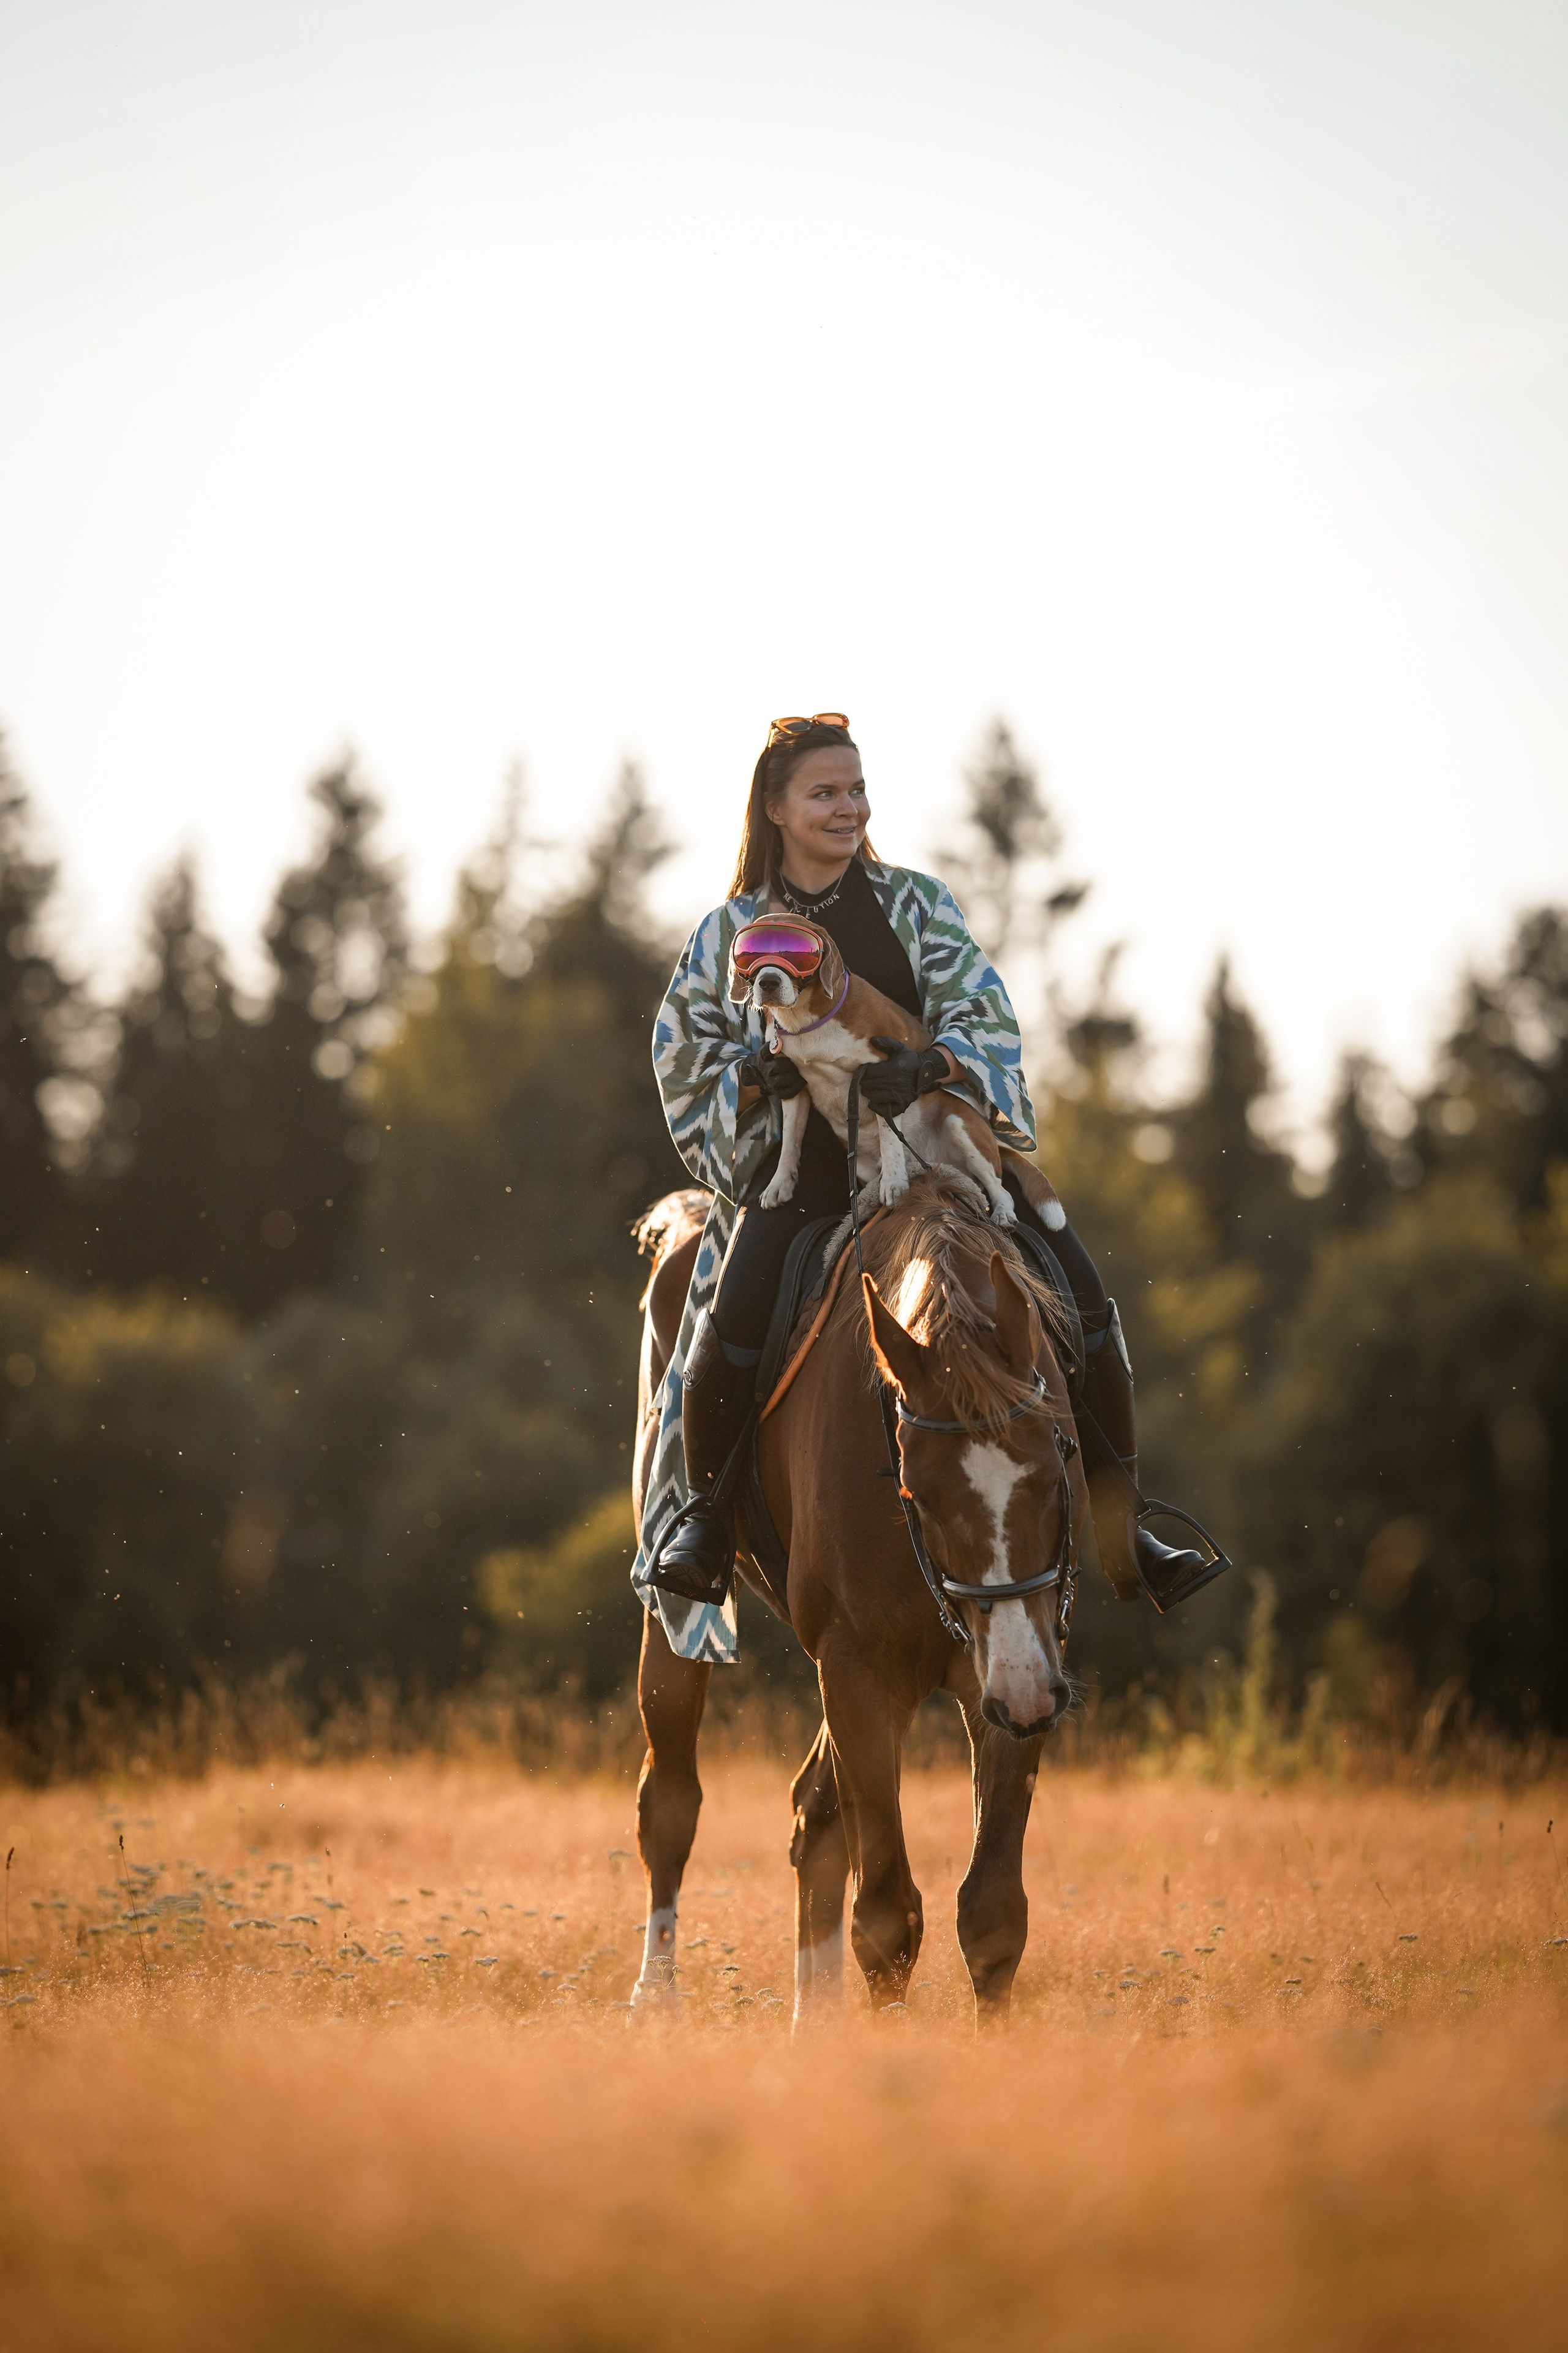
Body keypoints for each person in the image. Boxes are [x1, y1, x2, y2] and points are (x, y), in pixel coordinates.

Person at [633, 712, 1213, 1656]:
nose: (848, 808)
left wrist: (937, 1064)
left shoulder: (917, 906)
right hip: (800, 1185)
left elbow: (985, 1014)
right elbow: (680, 1053)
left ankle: (1127, 1527)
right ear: (775, 806)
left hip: (936, 1167)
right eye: (825, 792)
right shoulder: (727, 931)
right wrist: (750, 1079)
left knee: (1086, 1299)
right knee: (724, 1332)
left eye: (857, 790)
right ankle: (702, 1524)